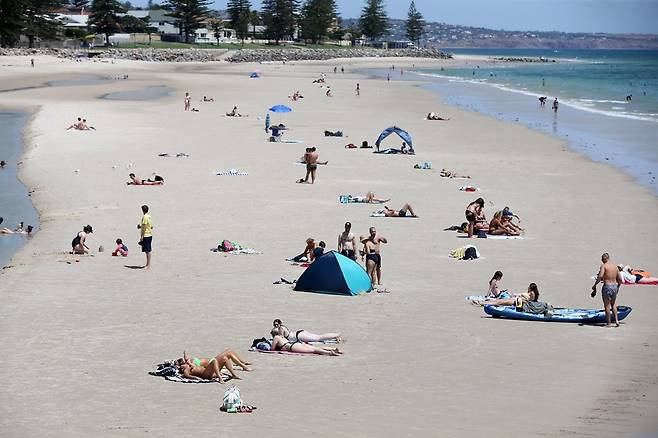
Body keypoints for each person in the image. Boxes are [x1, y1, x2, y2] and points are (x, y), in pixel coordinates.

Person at [592, 253, 623, 327]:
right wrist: (618, 286)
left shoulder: (604, 266)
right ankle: (616, 321)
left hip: (607, 286)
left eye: (602, 259)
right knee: (613, 303)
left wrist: (595, 285)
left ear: (604, 259)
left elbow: (600, 276)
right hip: (614, 286)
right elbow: (620, 279)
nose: (601, 260)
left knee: (607, 305)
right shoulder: (615, 267)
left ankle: (609, 323)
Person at [177, 355, 242, 382]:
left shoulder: (190, 365)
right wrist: (197, 378)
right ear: (181, 368)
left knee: (225, 359)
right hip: (204, 374)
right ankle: (220, 378)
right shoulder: (186, 371)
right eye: (183, 365)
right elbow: (188, 376)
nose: (185, 364)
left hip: (207, 371)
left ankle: (233, 375)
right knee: (214, 361)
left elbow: (187, 360)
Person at [270, 319, 342, 343]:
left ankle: (336, 335)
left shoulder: (281, 328)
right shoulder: (282, 327)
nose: (276, 326)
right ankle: (335, 337)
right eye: (274, 325)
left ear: (280, 324)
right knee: (318, 337)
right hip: (299, 333)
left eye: (277, 324)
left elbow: (281, 337)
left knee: (319, 338)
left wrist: (273, 333)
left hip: (299, 336)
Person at [178, 349, 251, 372]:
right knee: (229, 354)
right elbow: (187, 360)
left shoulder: (189, 361)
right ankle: (244, 367)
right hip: (213, 364)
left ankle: (242, 362)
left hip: (213, 359)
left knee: (229, 350)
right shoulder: (191, 365)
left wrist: (185, 353)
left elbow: (186, 358)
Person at [263, 335, 342, 356]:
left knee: (314, 350)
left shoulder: (276, 338)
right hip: (296, 343)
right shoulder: (282, 337)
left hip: (291, 347)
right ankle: (333, 349)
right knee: (314, 348)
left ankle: (329, 353)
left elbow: (272, 350)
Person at [474, 283, 539, 306]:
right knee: (498, 301)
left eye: (529, 287)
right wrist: (512, 294)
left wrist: (521, 301)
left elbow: (530, 301)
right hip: (515, 299)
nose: (528, 287)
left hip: (516, 301)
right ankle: (482, 303)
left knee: (498, 302)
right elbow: (519, 294)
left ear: (531, 288)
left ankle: (481, 303)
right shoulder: (528, 293)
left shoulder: (532, 293)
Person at [138, 204, 153, 270]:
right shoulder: (149, 216)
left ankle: (148, 265)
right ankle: (147, 264)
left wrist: (142, 236)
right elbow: (151, 226)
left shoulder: (144, 217)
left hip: (146, 235)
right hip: (150, 234)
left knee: (148, 251)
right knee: (147, 250)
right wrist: (140, 226)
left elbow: (144, 227)